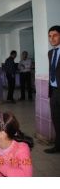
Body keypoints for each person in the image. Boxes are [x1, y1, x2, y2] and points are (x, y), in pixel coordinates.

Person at [45, 25, 60, 154]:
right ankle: (58, 146)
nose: (52, 38)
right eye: (50, 36)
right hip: (54, 91)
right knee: (56, 120)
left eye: (55, 35)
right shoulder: (51, 53)